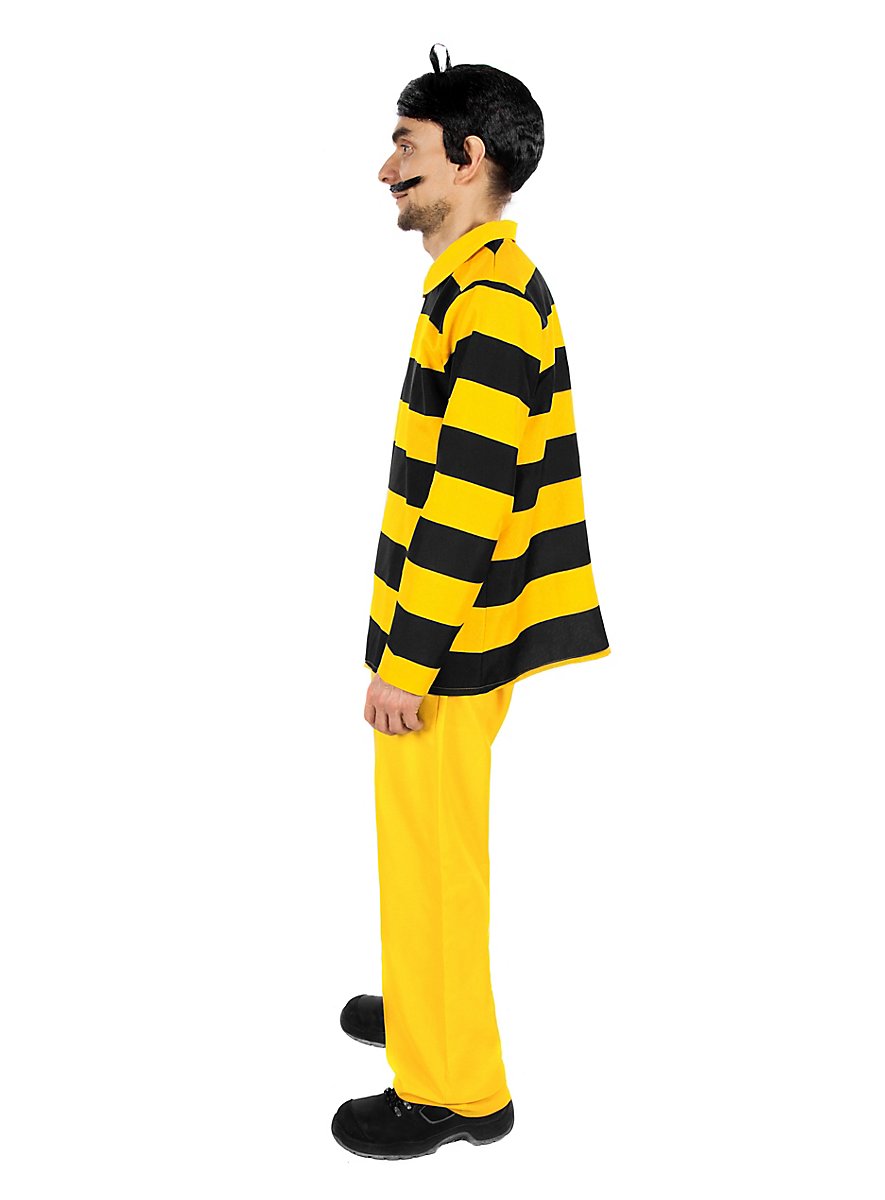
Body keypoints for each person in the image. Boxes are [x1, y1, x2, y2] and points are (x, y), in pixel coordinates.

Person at [331, 44, 611, 1160]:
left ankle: (454, 1088)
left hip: (448, 644)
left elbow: (470, 499)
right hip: (452, 630)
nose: (385, 168)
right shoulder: (477, 285)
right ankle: (425, 996)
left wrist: (408, 660)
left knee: (435, 857)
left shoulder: (487, 305)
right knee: (421, 846)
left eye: (405, 146)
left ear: (468, 158)